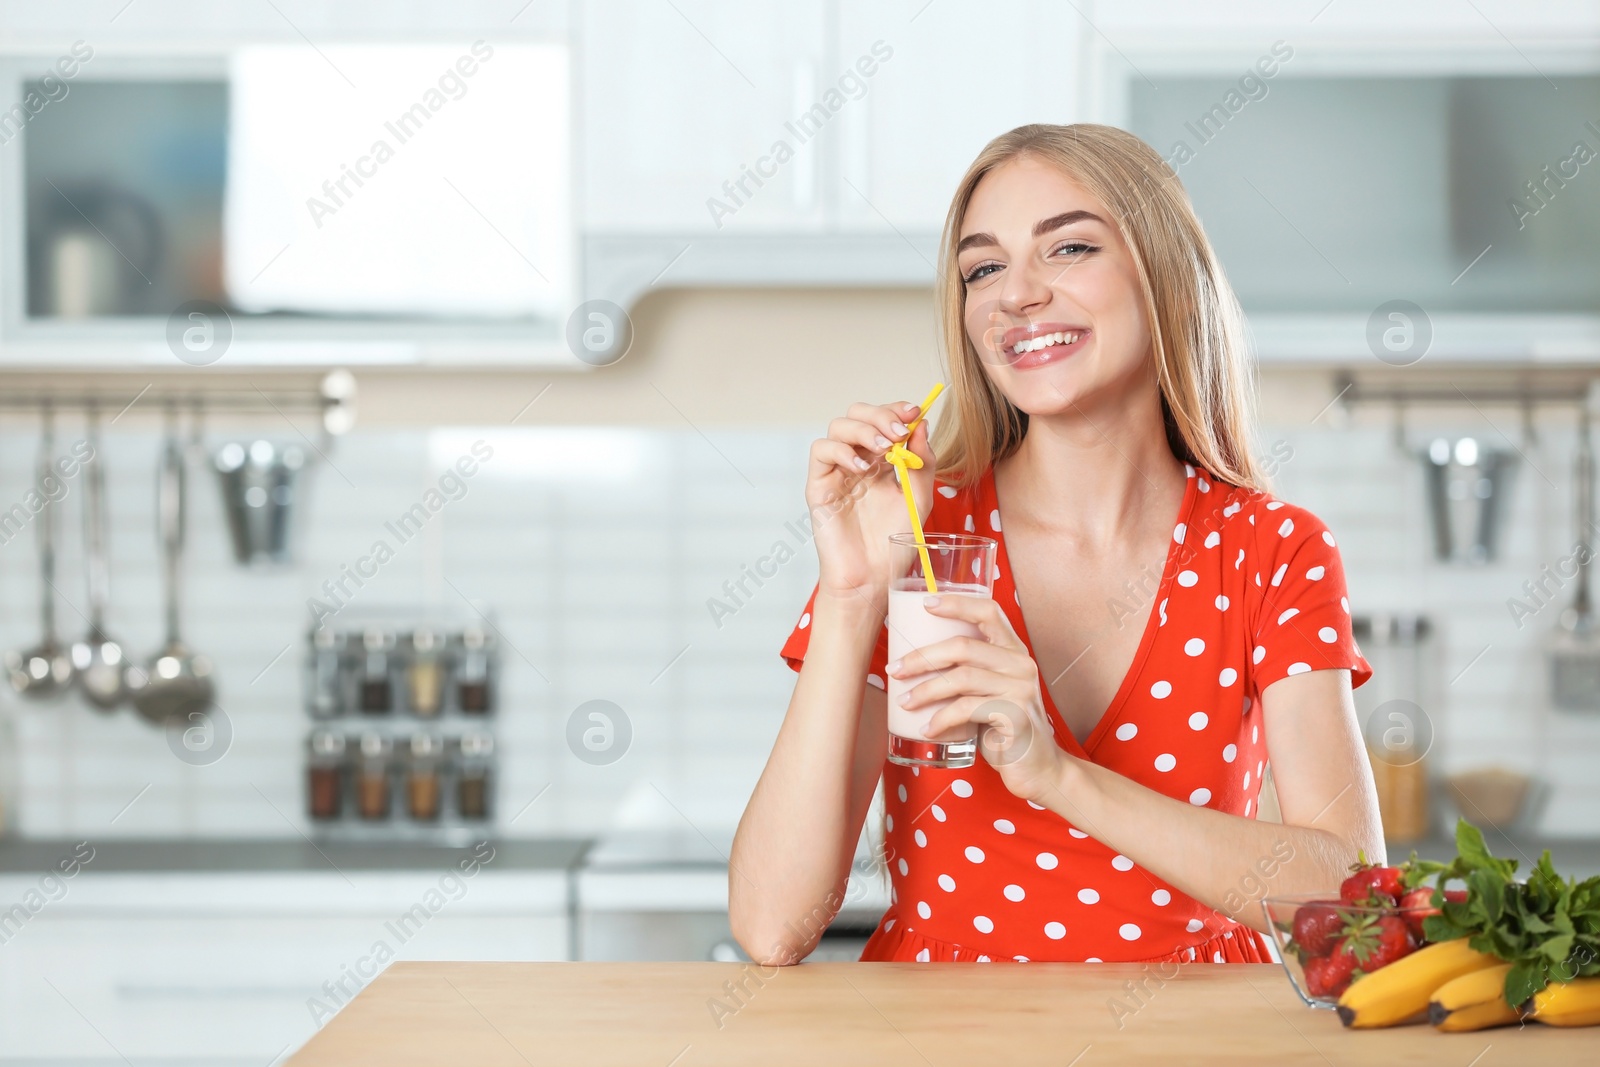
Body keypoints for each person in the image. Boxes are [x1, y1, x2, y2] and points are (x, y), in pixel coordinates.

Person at [729, 123, 1381, 966]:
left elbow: (1346, 898)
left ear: (1170, 282)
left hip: (1195, 1040)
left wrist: (1060, 776)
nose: (1016, 295)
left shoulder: (1272, 549)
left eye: (1067, 248)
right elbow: (773, 926)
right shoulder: (916, 541)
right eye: (984, 268)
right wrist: (853, 599)